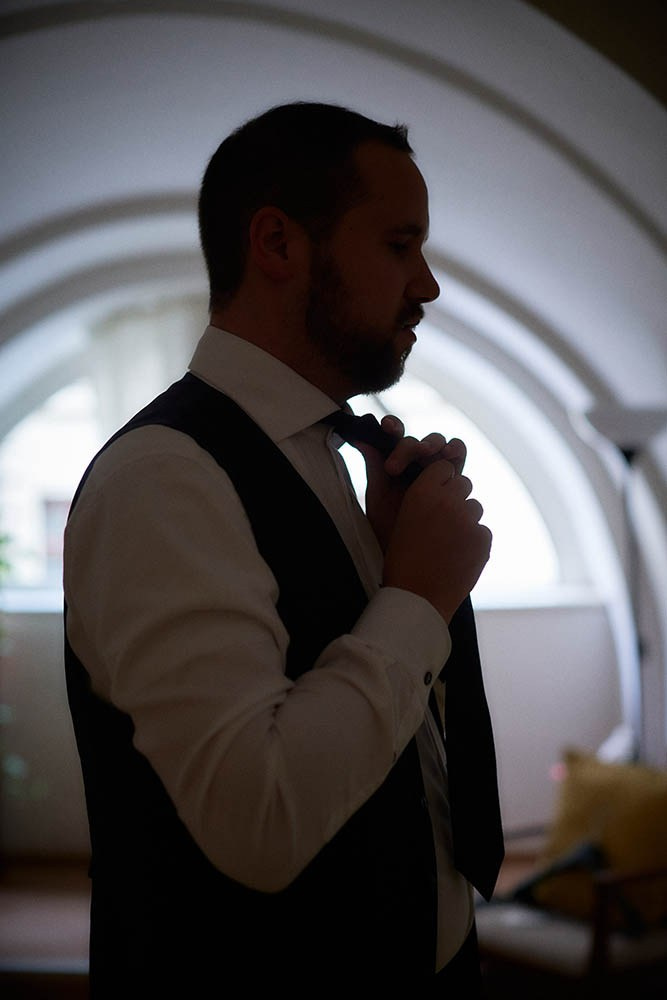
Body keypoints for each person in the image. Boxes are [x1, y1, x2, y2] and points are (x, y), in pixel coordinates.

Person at [64, 101, 504, 996]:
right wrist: (418, 597)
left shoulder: (324, 456)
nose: (426, 286)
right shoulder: (163, 477)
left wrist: (385, 567)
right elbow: (258, 821)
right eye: (399, 245)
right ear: (277, 244)